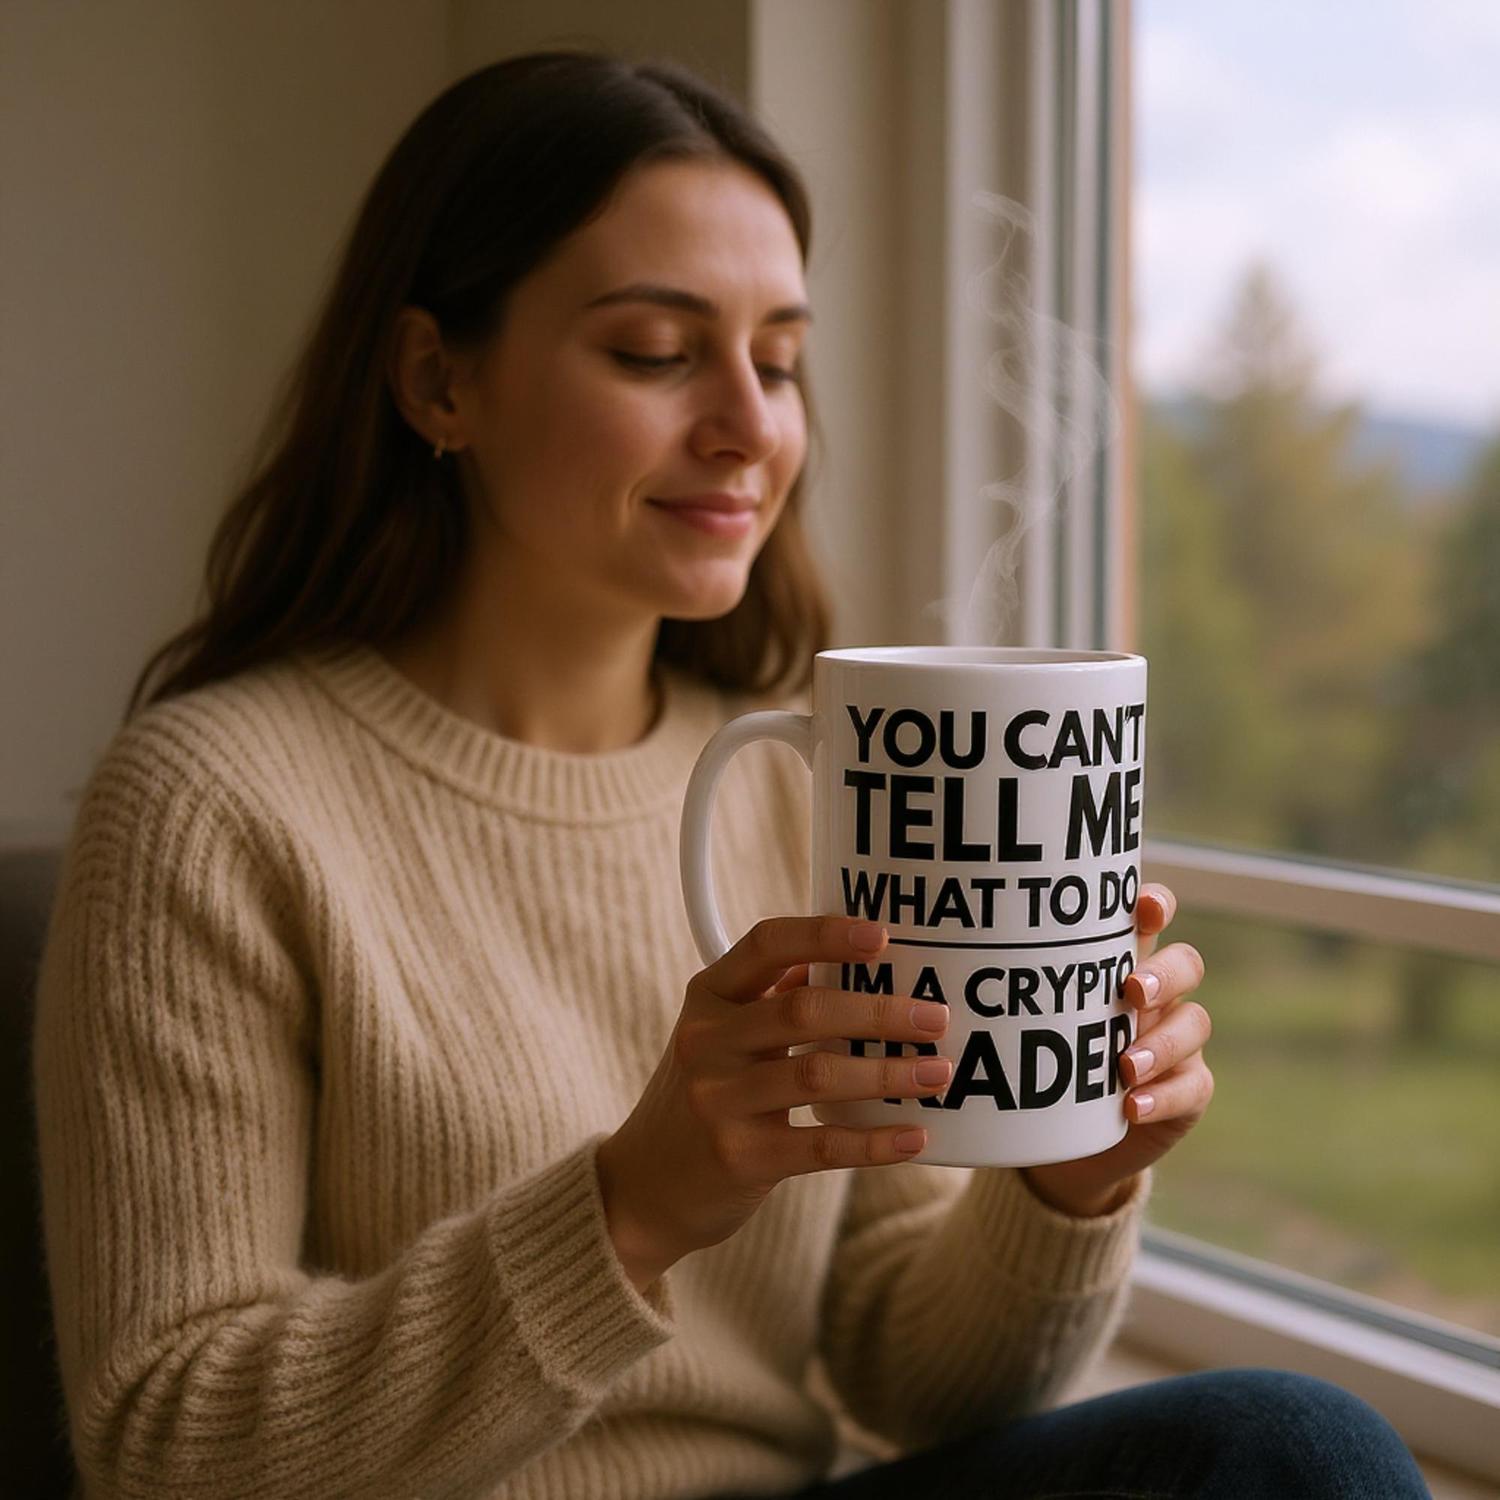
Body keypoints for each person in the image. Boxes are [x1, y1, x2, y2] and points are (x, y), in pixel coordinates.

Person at [31, 49, 1430, 1500]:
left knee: (1292, 1447)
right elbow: (163, 1444)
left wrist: (1070, 1179)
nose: (752, 427)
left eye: (779, 360)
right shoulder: (211, 808)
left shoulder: (785, 780)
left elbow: (909, 1373)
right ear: (439, 379)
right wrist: (628, 1211)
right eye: (655, 351)